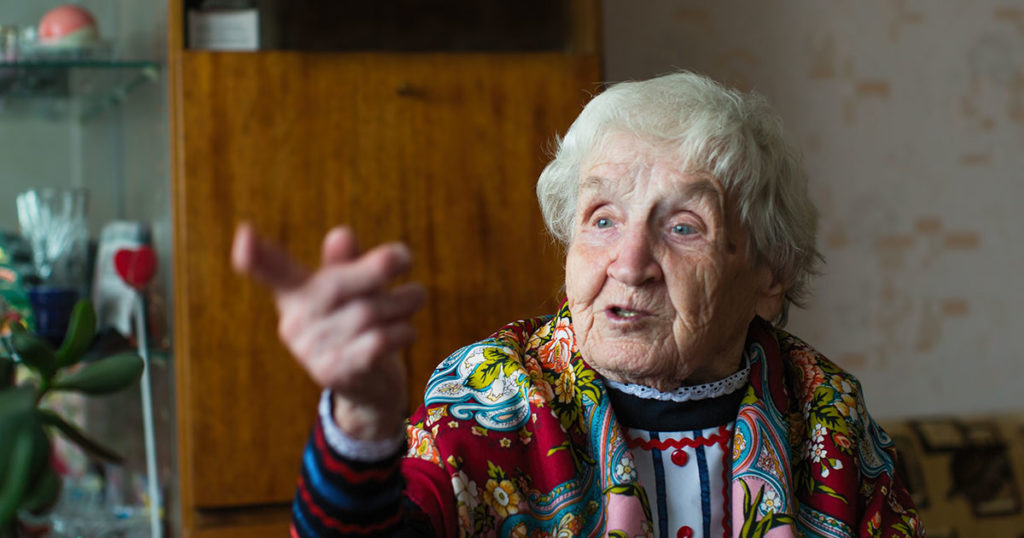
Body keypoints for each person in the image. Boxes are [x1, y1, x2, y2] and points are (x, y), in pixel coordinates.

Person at [232, 71, 922, 537]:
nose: (629, 263)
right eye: (602, 219)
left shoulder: (827, 413)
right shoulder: (491, 395)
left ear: (771, 274)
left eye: (684, 227)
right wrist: (359, 421)